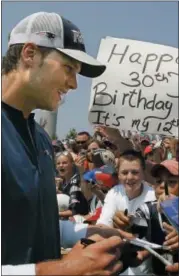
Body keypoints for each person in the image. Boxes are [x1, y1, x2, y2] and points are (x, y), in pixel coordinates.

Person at [2, 11, 126, 275]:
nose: (74, 84)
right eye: (68, 68)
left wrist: (85, 231)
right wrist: (54, 271)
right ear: (29, 54)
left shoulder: (41, 138)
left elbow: (27, 221)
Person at [97, 149, 156, 275]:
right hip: (117, 265)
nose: (129, 177)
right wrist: (116, 228)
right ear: (118, 174)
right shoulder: (114, 193)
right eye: (124, 172)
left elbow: (158, 239)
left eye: (135, 172)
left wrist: (144, 253)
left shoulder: (153, 197)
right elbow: (101, 227)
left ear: (143, 174)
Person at [134, 159, 179, 275]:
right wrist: (124, 222)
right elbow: (133, 225)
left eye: (172, 181)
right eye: (158, 181)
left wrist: (173, 206)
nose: (163, 186)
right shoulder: (148, 210)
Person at [56, 151, 89, 218]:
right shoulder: (63, 183)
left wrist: (53, 213)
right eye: (58, 163)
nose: (61, 165)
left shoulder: (76, 182)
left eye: (64, 163)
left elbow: (75, 211)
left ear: (72, 164)